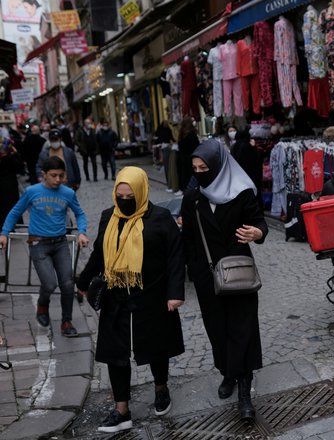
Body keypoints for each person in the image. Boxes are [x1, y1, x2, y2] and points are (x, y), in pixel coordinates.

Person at [76, 167, 185, 433]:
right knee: (116, 353)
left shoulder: (160, 218)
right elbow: (100, 254)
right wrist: (81, 282)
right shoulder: (107, 217)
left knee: (156, 346)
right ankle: (121, 410)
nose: (124, 200)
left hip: (153, 294)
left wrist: (175, 294)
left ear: (141, 191)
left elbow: (175, 257)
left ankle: (161, 388)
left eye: (129, 195)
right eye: (119, 195)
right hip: (117, 295)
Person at [181, 139, 268, 421]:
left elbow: (259, 222)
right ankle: (227, 373)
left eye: (204, 168)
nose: (199, 173)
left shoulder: (241, 192)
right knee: (217, 329)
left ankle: (245, 390)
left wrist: (257, 233)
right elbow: (189, 239)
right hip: (208, 276)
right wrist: (192, 271)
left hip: (239, 271)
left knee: (243, 328)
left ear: (218, 166)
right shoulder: (193, 196)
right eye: (195, 168)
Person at [0, 156, 89, 336]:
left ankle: (66, 322)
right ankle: (42, 304)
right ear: (44, 175)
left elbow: (79, 213)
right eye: (53, 175)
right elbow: (15, 211)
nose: (58, 180)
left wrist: (82, 231)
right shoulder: (32, 191)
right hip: (38, 243)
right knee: (49, 283)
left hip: (60, 243)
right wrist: (4, 233)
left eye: (61, 176)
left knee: (67, 283)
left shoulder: (68, 193)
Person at [231, 128, 262, 208]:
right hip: (250, 178)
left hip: (238, 179)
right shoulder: (248, 147)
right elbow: (255, 163)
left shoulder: (234, 147)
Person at [0, 134, 25, 228]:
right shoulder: (10, 159)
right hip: (10, 186)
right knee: (12, 206)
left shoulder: (4, 159)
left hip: (3, 186)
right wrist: (15, 153)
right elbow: (21, 168)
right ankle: (11, 225)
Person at [177, 117, 199, 195]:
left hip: (187, 159)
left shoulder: (187, 134)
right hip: (189, 158)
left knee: (187, 175)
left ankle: (187, 190)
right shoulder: (190, 134)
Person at [75, 118, 98, 182]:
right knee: (85, 163)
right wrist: (80, 146)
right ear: (85, 124)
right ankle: (87, 176)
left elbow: (96, 139)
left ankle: (95, 177)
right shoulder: (80, 131)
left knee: (94, 163)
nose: (89, 124)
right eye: (88, 123)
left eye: (90, 123)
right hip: (84, 150)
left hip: (92, 149)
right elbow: (77, 140)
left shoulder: (92, 130)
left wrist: (96, 148)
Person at [154, 121, 175, 191]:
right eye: (165, 124)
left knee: (168, 166)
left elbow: (171, 137)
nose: (166, 125)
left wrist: (175, 142)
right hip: (162, 147)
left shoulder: (168, 130)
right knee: (166, 165)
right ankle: (169, 183)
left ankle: (170, 183)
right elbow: (157, 137)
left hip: (166, 147)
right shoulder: (160, 129)